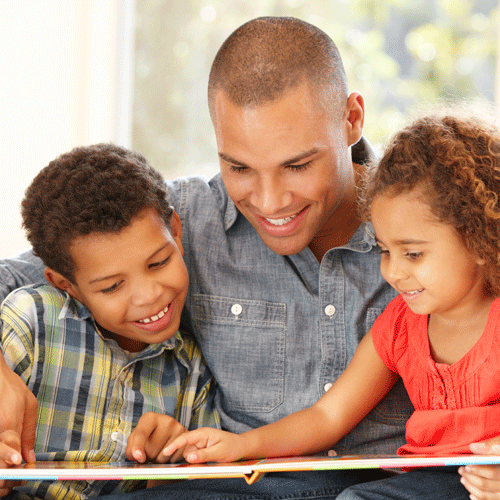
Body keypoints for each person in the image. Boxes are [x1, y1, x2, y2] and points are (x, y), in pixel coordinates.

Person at [0, 16, 499, 500]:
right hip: (250, 484)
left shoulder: (441, 215)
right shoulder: (177, 226)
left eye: (297, 165)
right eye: (238, 166)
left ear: (351, 119)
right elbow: (27, 273)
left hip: (413, 483)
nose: (269, 200)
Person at [160, 108, 500, 499]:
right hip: (425, 483)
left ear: (479, 239)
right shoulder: (398, 328)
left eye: (414, 255)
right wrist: (244, 445)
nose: (393, 272)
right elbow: (327, 416)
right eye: (385, 251)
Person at [0, 143, 219, 499]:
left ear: (176, 232)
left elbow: (199, 488)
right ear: (66, 285)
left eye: (159, 262)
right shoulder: (31, 321)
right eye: (113, 286)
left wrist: (165, 465)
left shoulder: (190, 370)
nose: (148, 296)